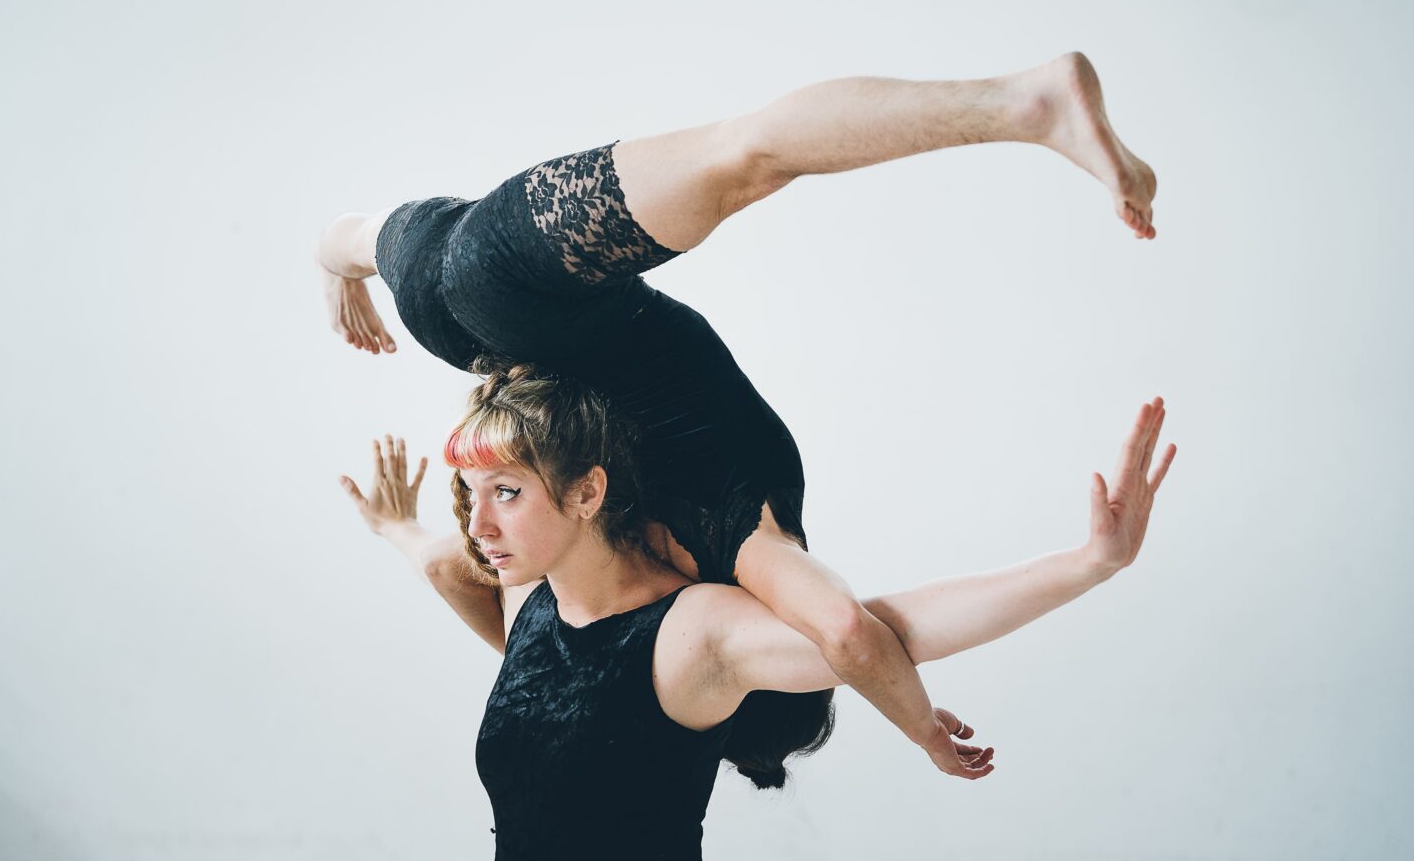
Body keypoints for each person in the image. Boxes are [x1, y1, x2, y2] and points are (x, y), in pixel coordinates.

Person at [316, 52, 1160, 778]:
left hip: (488, 333)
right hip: (523, 305)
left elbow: (450, 565)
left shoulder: (607, 586)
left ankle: (336, 252)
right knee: (744, 156)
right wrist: (924, 729)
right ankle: (1030, 101)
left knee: (738, 158)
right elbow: (850, 630)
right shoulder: (735, 547)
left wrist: (397, 528)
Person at [336, 365, 1176, 859]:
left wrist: (1087, 565)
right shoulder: (528, 593)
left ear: (589, 491)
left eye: (507, 494)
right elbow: (442, 561)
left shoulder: (694, 635)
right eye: (471, 495)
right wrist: (396, 527)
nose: (480, 523)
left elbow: (886, 629)